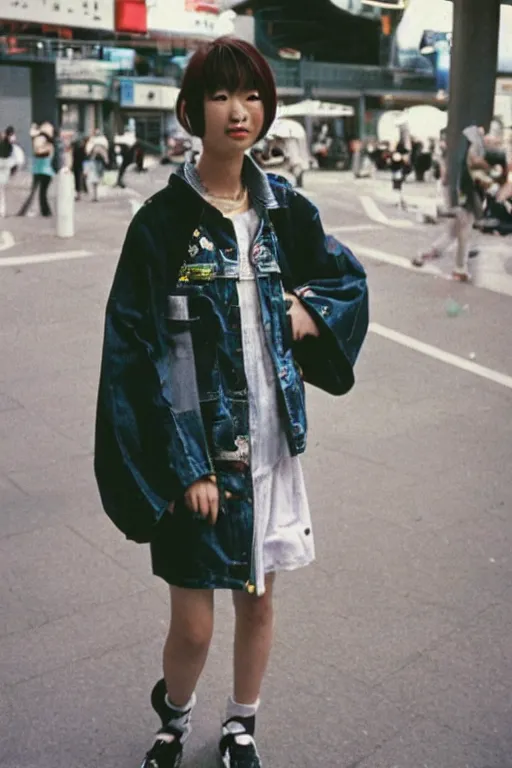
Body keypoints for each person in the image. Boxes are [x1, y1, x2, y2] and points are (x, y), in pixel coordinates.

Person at [94, 36, 369, 768]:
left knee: (259, 600)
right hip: (194, 456)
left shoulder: (285, 210)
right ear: (191, 111)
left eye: (250, 95)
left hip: (269, 444)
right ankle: (175, 717)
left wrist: (308, 312)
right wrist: (187, 466)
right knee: (193, 626)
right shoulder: (160, 225)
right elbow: (139, 355)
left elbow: (347, 284)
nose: (237, 110)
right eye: (219, 95)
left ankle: (241, 723)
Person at [413, 125, 491, 281]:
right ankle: (459, 268)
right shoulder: (470, 150)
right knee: (463, 231)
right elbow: (473, 173)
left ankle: (429, 253)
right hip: (464, 196)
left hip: (461, 194)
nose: (484, 136)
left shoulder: (465, 150)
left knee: (453, 231)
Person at [17, 122, 55, 217]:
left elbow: (39, 151)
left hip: (42, 171)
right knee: (40, 193)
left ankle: (45, 211)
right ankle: (45, 212)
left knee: (39, 193)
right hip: (43, 171)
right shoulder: (47, 144)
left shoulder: (46, 144)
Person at [85, 128, 109, 202]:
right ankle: (94, 195)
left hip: (98, 163)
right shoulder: (93, 141)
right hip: (93, 162)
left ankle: (95, 195)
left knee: (97, 179)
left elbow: (104, 151)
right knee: (93, 179)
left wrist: (105, 159)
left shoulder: (102, 141)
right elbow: (88, 151)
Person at [0, 126, 15, 217]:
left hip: (3, 165)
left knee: (1, 191)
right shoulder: (9, 145)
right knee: (2, 191)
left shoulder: (6, 143)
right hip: (5, 166)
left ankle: (2, 211)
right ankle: (2, 211)